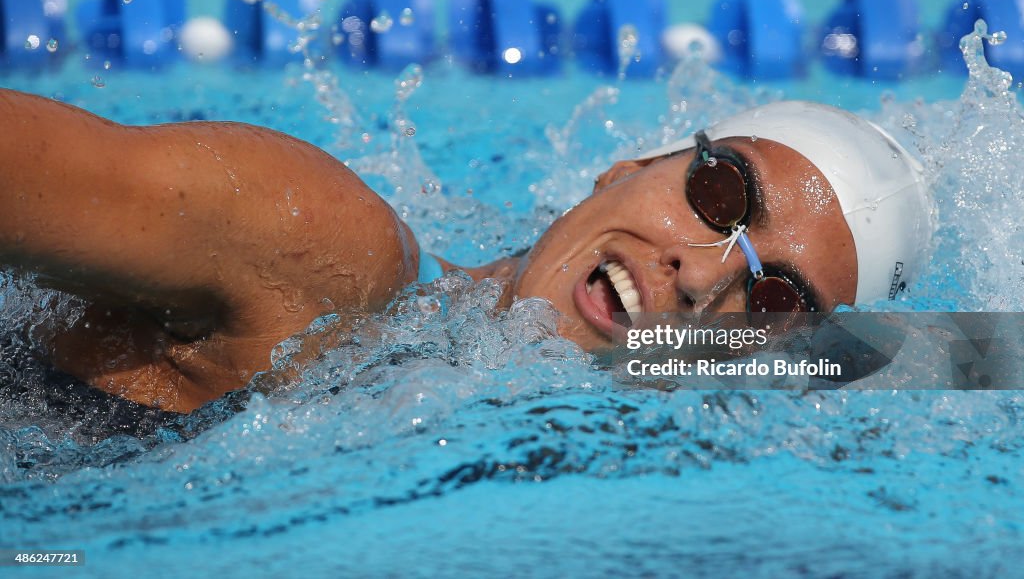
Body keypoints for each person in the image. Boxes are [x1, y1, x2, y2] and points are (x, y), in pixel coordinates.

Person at [0, 90, 933, 413]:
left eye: (770, 304)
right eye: (720, 196)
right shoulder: (324, 252)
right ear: (628, 164)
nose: (704, 274)